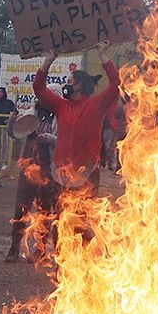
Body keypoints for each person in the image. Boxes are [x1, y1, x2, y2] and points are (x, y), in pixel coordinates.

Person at [32, 40, 121, 197]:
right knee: (60, 219)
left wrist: (103, 55)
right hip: (60, 173)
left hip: (86, 173)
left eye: (69, 82)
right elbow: (39, 88)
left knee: (81, 218)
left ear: (78, 86)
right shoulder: (61, 105)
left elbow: (115, 84)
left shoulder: (96, 105)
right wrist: (48, 61)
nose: (65, 86)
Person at [5, 97, 57, 263]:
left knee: (44, 211)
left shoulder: (58, 117)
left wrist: (51, 139)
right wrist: (12, 122)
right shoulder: (30, 114)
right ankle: (14, 247)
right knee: (21, 209)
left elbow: (64, 139)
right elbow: (14, 133)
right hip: (28, 168)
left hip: (48, 169)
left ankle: (40, 250)